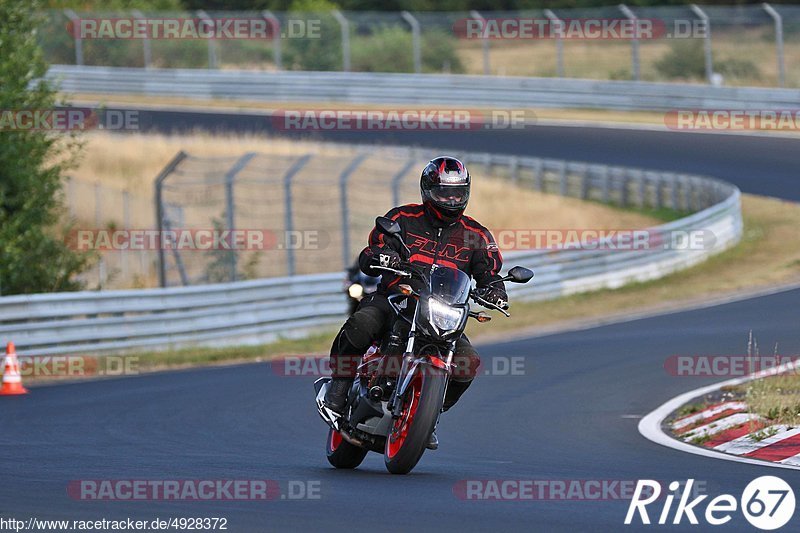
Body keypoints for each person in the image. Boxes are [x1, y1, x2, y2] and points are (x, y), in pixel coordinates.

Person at [323, 156, 508, 449]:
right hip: (398, 298)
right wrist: (382, 256)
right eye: (444, 192)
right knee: (362, 323)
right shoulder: (401, 219)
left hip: (443, 309)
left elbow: (489, 271)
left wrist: (495, 289)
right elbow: (372, 251)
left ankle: (428, 413)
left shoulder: (477, 235)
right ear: (427, 190)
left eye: (457, 193)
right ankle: (339, 387)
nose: (450, 199)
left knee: (468, 363)